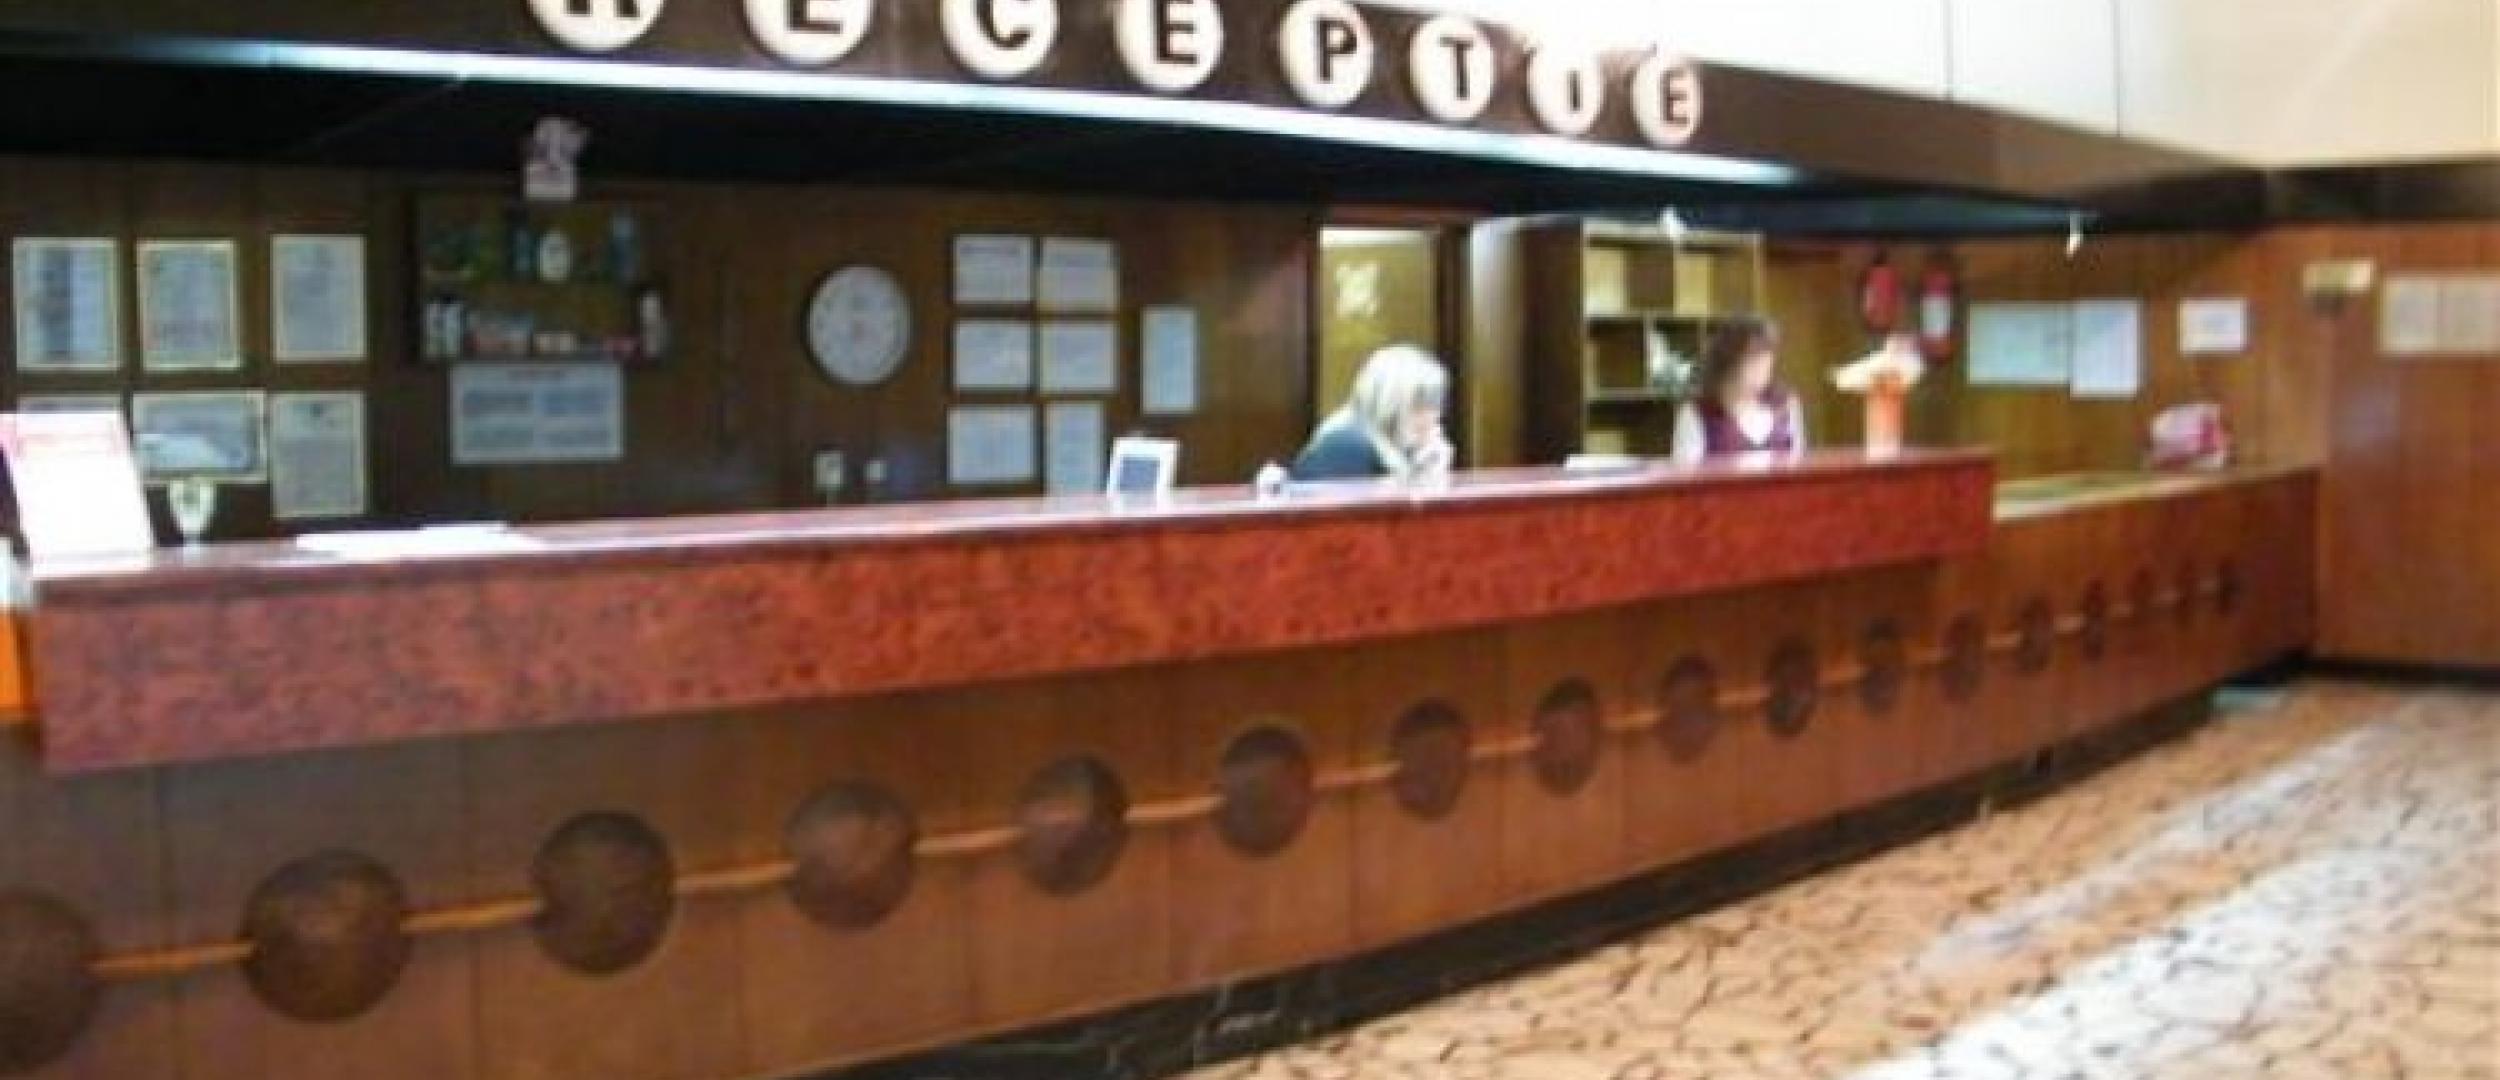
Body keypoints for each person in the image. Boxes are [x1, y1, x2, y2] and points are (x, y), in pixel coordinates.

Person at [1291, 344, 1456, 482]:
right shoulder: (1345, 445)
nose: (1433, 416)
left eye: (1435, 404)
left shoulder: (1395, 447)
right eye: (1420, 405)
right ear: (1389, 404)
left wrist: (1428, 471)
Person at [1671, 317, 1807, 463]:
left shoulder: (1786, 404)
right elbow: (1686, 473)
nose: (1764, 366)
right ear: (1728, 360)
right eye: (1754, 357)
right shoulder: (1697, 413)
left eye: (1767, 357)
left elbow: (1799, 464)